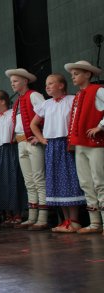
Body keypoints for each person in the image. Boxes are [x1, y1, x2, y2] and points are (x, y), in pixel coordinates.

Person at [30, 73, 86, 232]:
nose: (47, 86)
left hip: (67, 143)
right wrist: (41, 139)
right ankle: (65, 220)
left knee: (69, 179)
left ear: (61, 85)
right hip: (52, 145)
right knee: (55, 180)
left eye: (51, 83)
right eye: (46, 84)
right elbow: (34, 124)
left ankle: (74, 220)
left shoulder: (71, 100)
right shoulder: (46, 104)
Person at [64, 60, 104, 234]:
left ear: (88, 74)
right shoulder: (79, 95)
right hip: (80, 144)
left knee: (99, 181)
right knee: (86, 182)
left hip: (95, 143)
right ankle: (95, 222)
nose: (73, 77)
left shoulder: (98, 90)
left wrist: (100, 126)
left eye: (77, 73)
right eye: (72, 74)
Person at [5, 68, 46, 229]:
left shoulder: (34, 95)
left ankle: (42, 218)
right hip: (21, 142)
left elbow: (46, 114)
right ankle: (32, 216)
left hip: (33, 141)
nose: (13, 84)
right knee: (29, 181)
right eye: (12, 82)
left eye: (15, 81)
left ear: (25, 81)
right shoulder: (17, 102)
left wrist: (40, 136)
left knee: (38, 179)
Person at [0, 90, 27, 225]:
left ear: (3, 101)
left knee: (13, 179)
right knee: (0, 182)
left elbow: (17, 130)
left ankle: (18, 213)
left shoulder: (12, 115)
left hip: (9, 149)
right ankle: (7, 214)